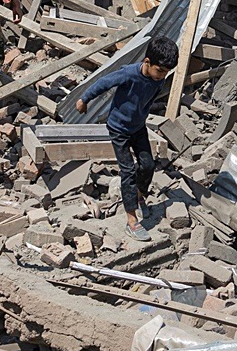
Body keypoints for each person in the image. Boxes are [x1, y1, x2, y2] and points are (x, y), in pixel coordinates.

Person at [75, 36, 179, 242]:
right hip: (119, 129)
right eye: (159, 71)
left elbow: (149, 95)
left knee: (148, 165)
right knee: (128, 170)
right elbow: (103, 83)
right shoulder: (128, 74)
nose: (162, 76)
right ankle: (131, 221)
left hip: (138, 127)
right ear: (147, 62)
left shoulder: (160, 78)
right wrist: (84, 99)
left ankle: (139, 197)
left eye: (166, 73)